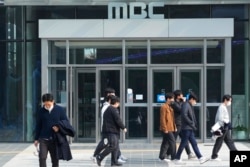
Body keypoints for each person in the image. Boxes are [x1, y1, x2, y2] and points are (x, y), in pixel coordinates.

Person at [90, 88, 127, 164]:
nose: (114, 96)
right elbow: (117, 120)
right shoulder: (109, 108)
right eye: (113, 95)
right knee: (110, 145)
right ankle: (98, 156)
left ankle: (114, 160)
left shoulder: (110, 108)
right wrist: (123, 127)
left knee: (114, 145)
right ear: (109, 96)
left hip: (110, 130)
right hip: (109, 130)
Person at [34, 93, 69, 167]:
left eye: (49, 104)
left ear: (53, 101)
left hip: (55, 139)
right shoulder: (41, 111)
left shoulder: (60, 110)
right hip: (43, 139)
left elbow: (65, 122)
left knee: (55, 160)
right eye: (45, 104)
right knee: (42, 158)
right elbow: (38, 125)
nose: (47, 106)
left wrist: (59, 128)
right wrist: (36, 139)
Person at [174, 92, 209, 164]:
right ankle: (177, 158)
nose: (195, 102)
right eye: (195, 100)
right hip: (187, 128)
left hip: (189, 128)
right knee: (183, 143)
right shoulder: (186, 105)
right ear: (191, 99)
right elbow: (184, 115)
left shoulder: (188, 105)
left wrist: (192, 124)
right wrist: (191, 123)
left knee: (193, 143)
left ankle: (200, 157)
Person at [166, 90, 196, 160]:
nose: (182, 96)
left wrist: (183, 102)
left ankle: (189, 153)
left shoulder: (180, 102)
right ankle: (167, 154)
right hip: (177, 124)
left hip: (181, 124)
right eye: (181, 95)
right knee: (173, 140)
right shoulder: (174, 103)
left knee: (184, 139)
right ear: (178, 96)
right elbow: (181, 110)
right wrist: (184, 102)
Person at [210, 94, 237, 161]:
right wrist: (227, 123)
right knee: (219, 142)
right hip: (223, 127)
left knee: (229, 141)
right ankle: (214, 156)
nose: (230, 102)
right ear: (225, 100)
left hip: (225, 127)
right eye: (229, 101)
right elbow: (220, 118)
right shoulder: (222, 107)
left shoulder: (223, 107)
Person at [158, 92, 176, 162]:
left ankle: (161, 157)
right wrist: (164, 128)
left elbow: (172, 118)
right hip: (166, 128)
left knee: (165, 142)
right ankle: (174, 157)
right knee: (172, 142)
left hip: (170, 127)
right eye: (172, 98)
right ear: (168, 99)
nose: (173, 100)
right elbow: (162, 119)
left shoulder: (170, 107)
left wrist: (175, 127)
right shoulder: (164, 107)